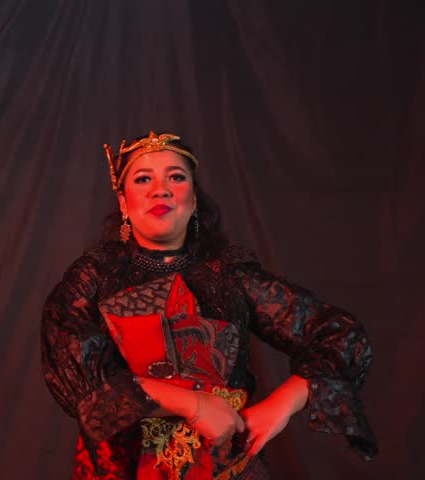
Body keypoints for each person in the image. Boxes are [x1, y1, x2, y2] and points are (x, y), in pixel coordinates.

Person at [40, 131, 378, 479]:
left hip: (223, 467)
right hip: (122, 469)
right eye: (144, 179)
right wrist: (193, 404)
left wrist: (280, 406)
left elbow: (340, 335)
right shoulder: (95, 275)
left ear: (193, 198)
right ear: (124, 203)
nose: (162, 189)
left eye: (176, 176)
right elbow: (78, 374)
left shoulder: (229, 275)